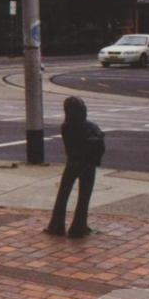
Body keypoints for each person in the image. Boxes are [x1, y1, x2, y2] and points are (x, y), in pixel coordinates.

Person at [45, 96, 105, 238]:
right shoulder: (91, 127)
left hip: (72, 162)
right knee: (84, 196)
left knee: (63, 194)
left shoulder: (66, 126)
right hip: (87, 164)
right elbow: (98, 145)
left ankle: (56, 225)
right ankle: (79, 226)